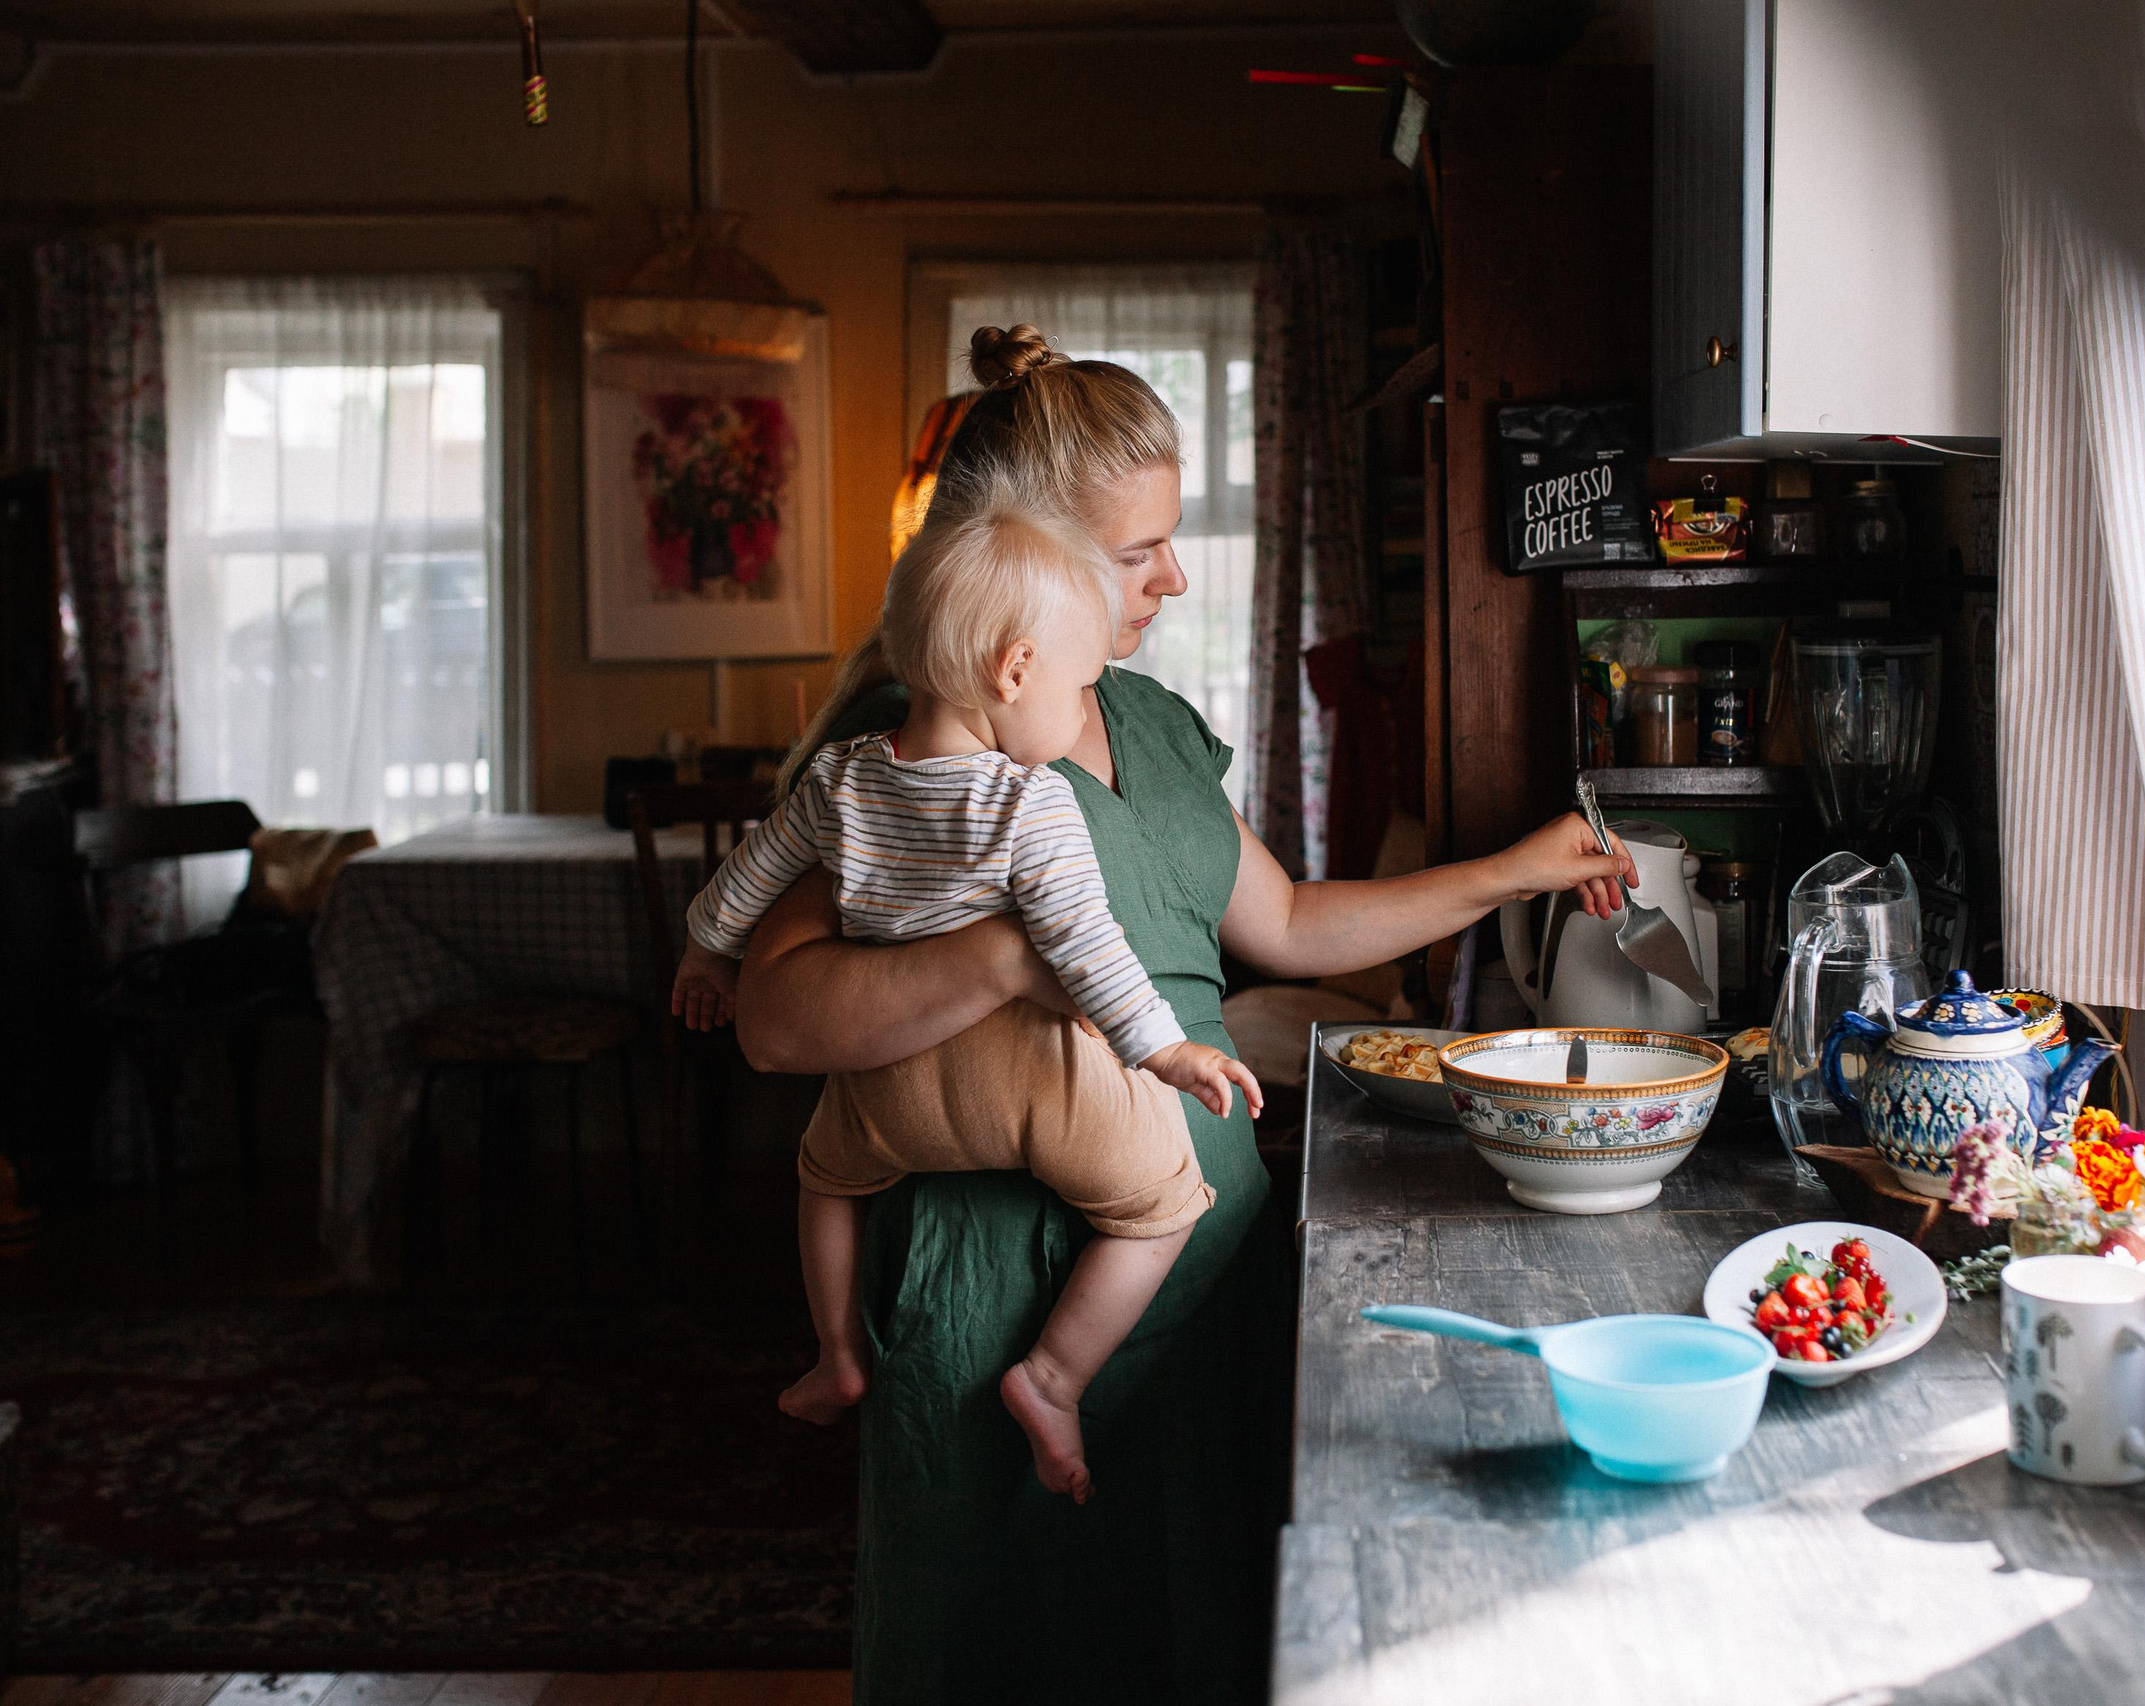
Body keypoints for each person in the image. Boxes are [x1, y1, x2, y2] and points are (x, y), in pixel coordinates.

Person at [734, 324, 1634, 1704]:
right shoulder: (905, 738)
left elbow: (1285, 926)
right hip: (992, 1308)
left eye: (1174, 534)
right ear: (1017, 551)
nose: (1175, 573)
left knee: (1192, 1642)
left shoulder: (1144, 721)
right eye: (1133, 549)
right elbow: (776, 1020)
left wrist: (1511, 868)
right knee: (996, 1656)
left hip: (1203, 1287)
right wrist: (1003, 962)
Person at [669, 469, 1261, 1502]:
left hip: (887, 1085)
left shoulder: (839, 777)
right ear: (1014, 667)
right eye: (1078, 687)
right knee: (1167, 1205)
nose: (1083, 709)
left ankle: (836, 1351)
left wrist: (704, 954)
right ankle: (1053, 1375)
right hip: (1032, 1080)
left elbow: (747, 885)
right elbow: (1087, 951)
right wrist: (1166, 1048)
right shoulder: (1031, 804)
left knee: (824, 1175)